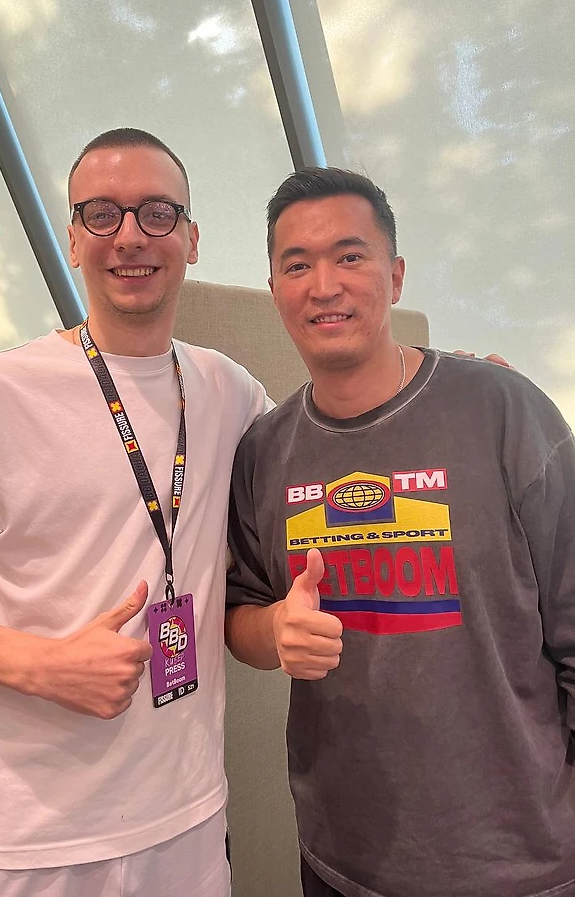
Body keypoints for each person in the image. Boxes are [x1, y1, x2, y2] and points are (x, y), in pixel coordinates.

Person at [0, 128, 270, 897]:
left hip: (185, 817)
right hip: (31, 838)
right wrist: (42, 664)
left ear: (192, 237)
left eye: (157, 212)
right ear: (73, 239)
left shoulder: (230, 391)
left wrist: (443, 384)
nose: (131, 235)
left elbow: (326, 452)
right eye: (102, 213)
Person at [225, 166, 575, 897]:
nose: (325, 285)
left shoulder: (504, 412)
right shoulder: (264, 451)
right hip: (342, 860)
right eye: (298, 265)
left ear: (396, 275)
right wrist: (276, 631)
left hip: (521, 865)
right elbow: (241, 616)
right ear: (276, 289)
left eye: (349, 256)